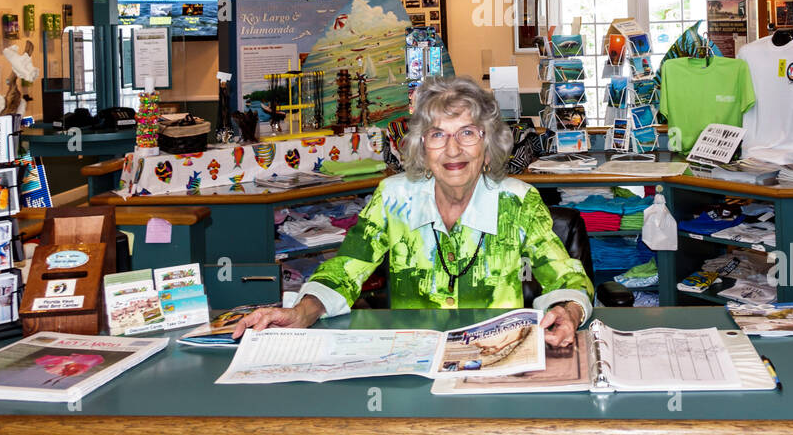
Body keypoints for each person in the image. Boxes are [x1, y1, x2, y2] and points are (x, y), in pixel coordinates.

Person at [235, 76, 594, 346]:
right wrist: (302, 310)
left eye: (468, 133)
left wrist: (569, 310)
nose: (453, 149)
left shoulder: (518, 201)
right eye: (438, 135)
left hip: (497, 356)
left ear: (487, 146)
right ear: (422, 147)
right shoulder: (394, 197)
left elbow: (567, 278)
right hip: (411, 357)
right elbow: (343, 271)